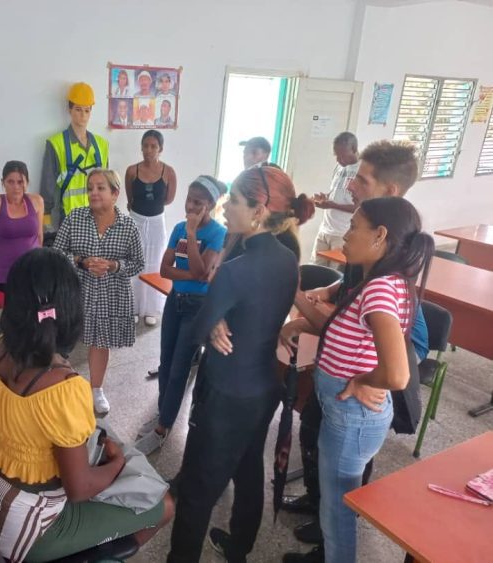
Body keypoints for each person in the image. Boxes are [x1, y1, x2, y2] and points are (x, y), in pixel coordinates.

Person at [281, 140, 430, 563]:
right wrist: (321, 298)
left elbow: (401, 357)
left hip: (358, 402)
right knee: (326, 473)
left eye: (361, 181)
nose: (351, 188)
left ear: (390, 193)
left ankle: (332, 543)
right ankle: (325, 518)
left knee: (343, 496)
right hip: (343, 394)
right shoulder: (373, 259)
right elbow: (351, 298)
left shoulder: (387, 275)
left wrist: (368, 378)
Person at [0, 248, 174, 562]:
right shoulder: (64, 389)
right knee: (164, 506)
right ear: (70, 309)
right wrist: (117, 463)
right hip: (30, 531)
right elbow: (80, 489)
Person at [167, 166, 315, 563]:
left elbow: (197, 330)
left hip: (225, 393)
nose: (225, 207)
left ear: (259, 211)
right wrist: (218, 315)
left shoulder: (236, 270)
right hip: (263, 386)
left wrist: (212, 318)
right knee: (248, 468)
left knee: (198, 492)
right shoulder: (288, 260)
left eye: (232, 200)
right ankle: (239, 546)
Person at [133, 175, 226, 456]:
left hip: (197, 306)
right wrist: (192, 273)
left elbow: (201, 272)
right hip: (175, 300)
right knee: (165, 362)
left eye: (197, 202)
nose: (190, 205)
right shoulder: (177, 228)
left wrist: (194, 235)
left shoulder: (217, 234)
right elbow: (164, 269)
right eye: (188, 199)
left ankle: (162, 429)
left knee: (179, 369)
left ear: (209, 205)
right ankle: (164, 414)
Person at [52, 169, 144, 415]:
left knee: (100, 341)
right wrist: (81, 261)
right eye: (90, 188)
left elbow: (137, 263)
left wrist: (113, 265)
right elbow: (56, 253)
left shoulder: (128, 226)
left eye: (100, 188)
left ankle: (96, 389)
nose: (93, 193)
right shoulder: (75, 218)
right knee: (64, 339)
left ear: (115, 193)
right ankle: (57, 387)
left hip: (111, 292)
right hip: (76, 289)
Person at [125, 130, 178, 326]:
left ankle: (151, 309)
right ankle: (132, 307)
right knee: (134, 262)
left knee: (154, 263)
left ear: (160, 149)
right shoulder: (132, 171)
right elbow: (130, 199)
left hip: (157, 221)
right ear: (141, 147)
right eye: (145, 145)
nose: (149, 150)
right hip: (136, 220)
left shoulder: (169, 172)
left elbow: (169, 199)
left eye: (153, 146)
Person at [41, 82, 109, 228]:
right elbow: (47, 188)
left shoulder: (102, 145)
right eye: (78, 109)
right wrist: (46, 225)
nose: (83, 115)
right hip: (67, 220)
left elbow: (107, 185)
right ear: (69, 109)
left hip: (96, 219)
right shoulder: (55, 144)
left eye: (87, 110)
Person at [0, 161, 43, 294]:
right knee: (11, 314)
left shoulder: (37, 201)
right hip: (5, 275)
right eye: (10, 182)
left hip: (34, 273)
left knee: (35, 314)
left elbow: (40, 236)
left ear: (27, 182)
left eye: (20, 182)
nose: (16, 187)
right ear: (3, 183)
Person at [310, 132, 359, 266]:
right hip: (325, 229)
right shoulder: (339, 167)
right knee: (315, 271)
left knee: (335, 276)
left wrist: (332, 205)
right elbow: (338, 194)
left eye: (342, 156)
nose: (338, 160)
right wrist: (325, 197)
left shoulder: (361, 171)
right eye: (336, 155)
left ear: (354, 150)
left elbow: (360, 207)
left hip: (342, 233)